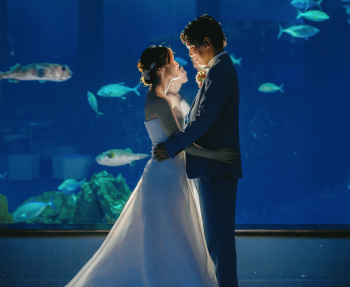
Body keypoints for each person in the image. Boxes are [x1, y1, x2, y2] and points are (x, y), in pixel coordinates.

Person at [65, 44, 236, 286]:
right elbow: (179, 142)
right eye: (172, 61)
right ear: (161, 69)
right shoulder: (158, 100)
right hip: (166, 174)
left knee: (174, 232)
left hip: (170, 170)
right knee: (171, 234)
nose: (177, 64)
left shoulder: (160, 97)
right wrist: (215, 155)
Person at [153, 14, 242, 287]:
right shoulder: (218, 70)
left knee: (219, 242)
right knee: (216, 241)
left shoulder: (220, 71)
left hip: (216, 169)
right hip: (212, 167)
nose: (191, 54)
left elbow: (203, 121)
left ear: (206, 42)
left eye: (192, 48)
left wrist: (170, 147)